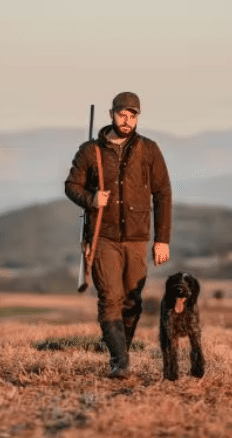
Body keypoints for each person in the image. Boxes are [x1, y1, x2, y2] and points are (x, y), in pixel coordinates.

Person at [65, 91, 172, 378]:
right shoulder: (90, 151)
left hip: (138, 237)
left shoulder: (149, 150)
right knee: (110, 297)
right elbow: (71, 186)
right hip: (103, 236)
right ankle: (119, 360)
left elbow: (162, 195)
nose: (127, 120)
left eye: (132, 115)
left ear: (138, 117)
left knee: (133, 299)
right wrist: (91, 199)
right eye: (122, 114)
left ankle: (120, 350)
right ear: (111, 114)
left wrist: (162, 240)